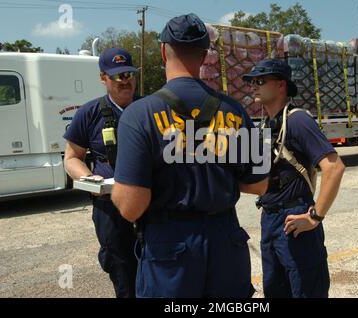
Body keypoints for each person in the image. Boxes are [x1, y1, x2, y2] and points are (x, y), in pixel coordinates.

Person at [111, 13, 268, 298]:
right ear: (205, 55)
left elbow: (131, 207)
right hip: (226, 244)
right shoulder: (234, 111)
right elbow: (259, 184)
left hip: (170, 249)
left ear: (162, 51)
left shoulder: (139, 115)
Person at [242, 58, 345, 298]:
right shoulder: (267, 124)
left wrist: (314, 216)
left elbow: (334, 168)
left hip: (295, 222)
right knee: (275, 290)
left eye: (260, 80)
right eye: (251, 81)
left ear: (281, 85)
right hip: (270, 220)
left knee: (305, 290)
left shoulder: (298, 120)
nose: (253, 86)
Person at [63, 47, 139, 298]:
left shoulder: (150, 108)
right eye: (118, 76)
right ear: (103, 78)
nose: (125, 80)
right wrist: (87, 176)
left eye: (129, 73)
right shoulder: (90, 112)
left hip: (151, 204)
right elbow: (72, 157)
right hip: (110, 208)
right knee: (122, 268)